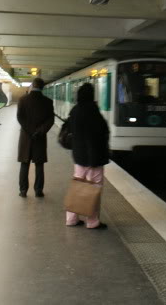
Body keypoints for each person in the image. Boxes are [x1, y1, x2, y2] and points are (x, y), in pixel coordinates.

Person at [65, 83, 110, 229]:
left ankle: (71, 219)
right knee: (94, 190)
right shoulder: (93, 111)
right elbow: (95, 136)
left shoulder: (75, 110)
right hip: (93, 158)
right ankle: (92, 221)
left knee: (78, 187)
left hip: (79, 157)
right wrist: (92, 159)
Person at [16, 78, 54, 197]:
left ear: (32, 86)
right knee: (39, 165)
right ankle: (38, 190)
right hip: (40, 138)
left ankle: (23, 191)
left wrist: (29, 130)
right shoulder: (48, 101)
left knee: (24, 164)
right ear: (43, 87)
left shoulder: (22, 99)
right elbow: (51, 120)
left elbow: (19, 117)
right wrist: (40, 131)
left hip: (25, 137)